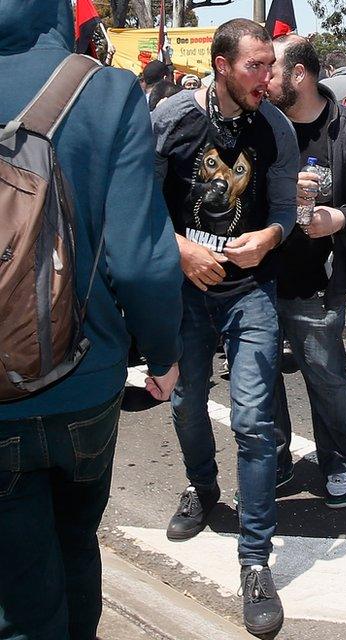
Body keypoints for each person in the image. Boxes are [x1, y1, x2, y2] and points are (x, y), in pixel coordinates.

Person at [0, 1, 183, 637]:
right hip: (86, 377)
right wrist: (163, 356)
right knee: (77, 544)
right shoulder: (103, 90)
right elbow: (139, 262)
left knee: (18, 593)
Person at [152, 18, 298, 634]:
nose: (269, 78)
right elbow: (134, 204)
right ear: (220, 64)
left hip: (250, 294)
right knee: (186, 404)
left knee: (255, 422)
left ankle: (255, 560)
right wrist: (181, 248)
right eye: (256, 67)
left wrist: (268, 237)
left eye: (272, 65)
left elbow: (287, 212)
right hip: (183, 293)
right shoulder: (172, 120)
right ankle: (202, 487)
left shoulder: (276, 128)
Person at [266, 34, 346, 508]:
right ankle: (276, 459)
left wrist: (337, 218)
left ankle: (337, 460)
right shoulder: (259, 125)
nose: (262, 78)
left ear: (299, 75)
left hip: (317, 286)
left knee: (326, 376)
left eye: (270, 69)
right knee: (261, 376)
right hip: (258, 280)